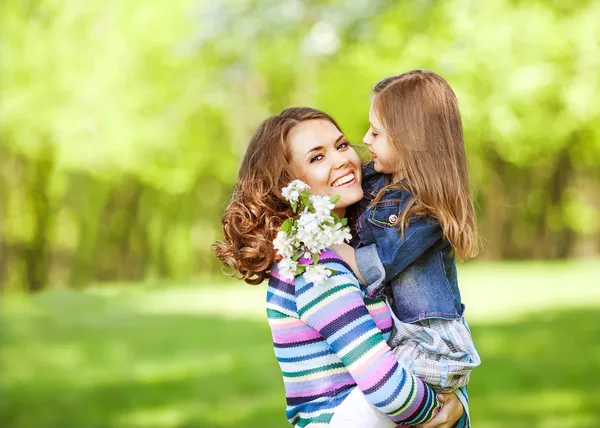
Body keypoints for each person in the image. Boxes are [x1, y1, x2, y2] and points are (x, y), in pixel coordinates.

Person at [215, 107, 466, 427]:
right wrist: (446, 406)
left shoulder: (358, 253)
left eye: (341, 145)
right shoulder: (314, 266)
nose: (341, 160)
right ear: (286, 185)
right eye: (316, 158)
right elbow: (387, 388)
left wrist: (456, 397)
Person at [332, 70, 481, 427]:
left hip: (429, 347)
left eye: (376, 132)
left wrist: (327, 246)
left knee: (358, 415)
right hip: (399, 339)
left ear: (409, 139)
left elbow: (375, 265)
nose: (364, 139)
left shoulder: (426, 210)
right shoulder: (377, 180)